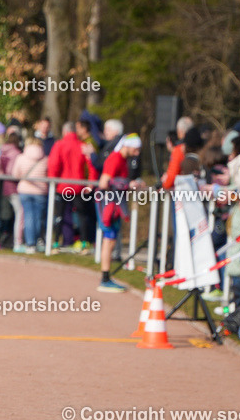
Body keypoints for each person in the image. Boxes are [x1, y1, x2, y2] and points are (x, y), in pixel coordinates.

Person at [96, 134, 143, 292]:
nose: (137, 153)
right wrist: (126, 184)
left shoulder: (123, 160)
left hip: (115, 204)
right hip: (108, 204)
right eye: (136, 149)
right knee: (108, 240)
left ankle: (106, 276)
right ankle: (105, 278)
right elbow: (104, 182)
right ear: (128, 146)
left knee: (111, 240)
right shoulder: (115, 158)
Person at [47, 118, 97, 251]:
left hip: (63, 186)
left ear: (65, 131)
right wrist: (90, 183)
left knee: (60, 214)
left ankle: (56, 241)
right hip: (79, 186)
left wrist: (52, 181)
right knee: (81, 215)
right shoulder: (82, 145)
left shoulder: (59, 145)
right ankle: (84, 242)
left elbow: (53, 165)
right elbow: (91, 165)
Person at [12, 136, 48, 253]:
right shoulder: (45, 159)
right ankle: (36, 241)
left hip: (25, 190)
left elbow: (15, 173)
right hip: (40, 191)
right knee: (38, 218)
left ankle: (30, 243)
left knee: (28, 217)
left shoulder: (21, 158)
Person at [0, 130, 23, 251]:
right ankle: (18, 241)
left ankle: (8, 239)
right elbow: (13, 172)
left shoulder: (2, 151)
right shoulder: (16, 153)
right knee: (20, 213)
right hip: (14, 186)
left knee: (11, 213)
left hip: (5, 185)